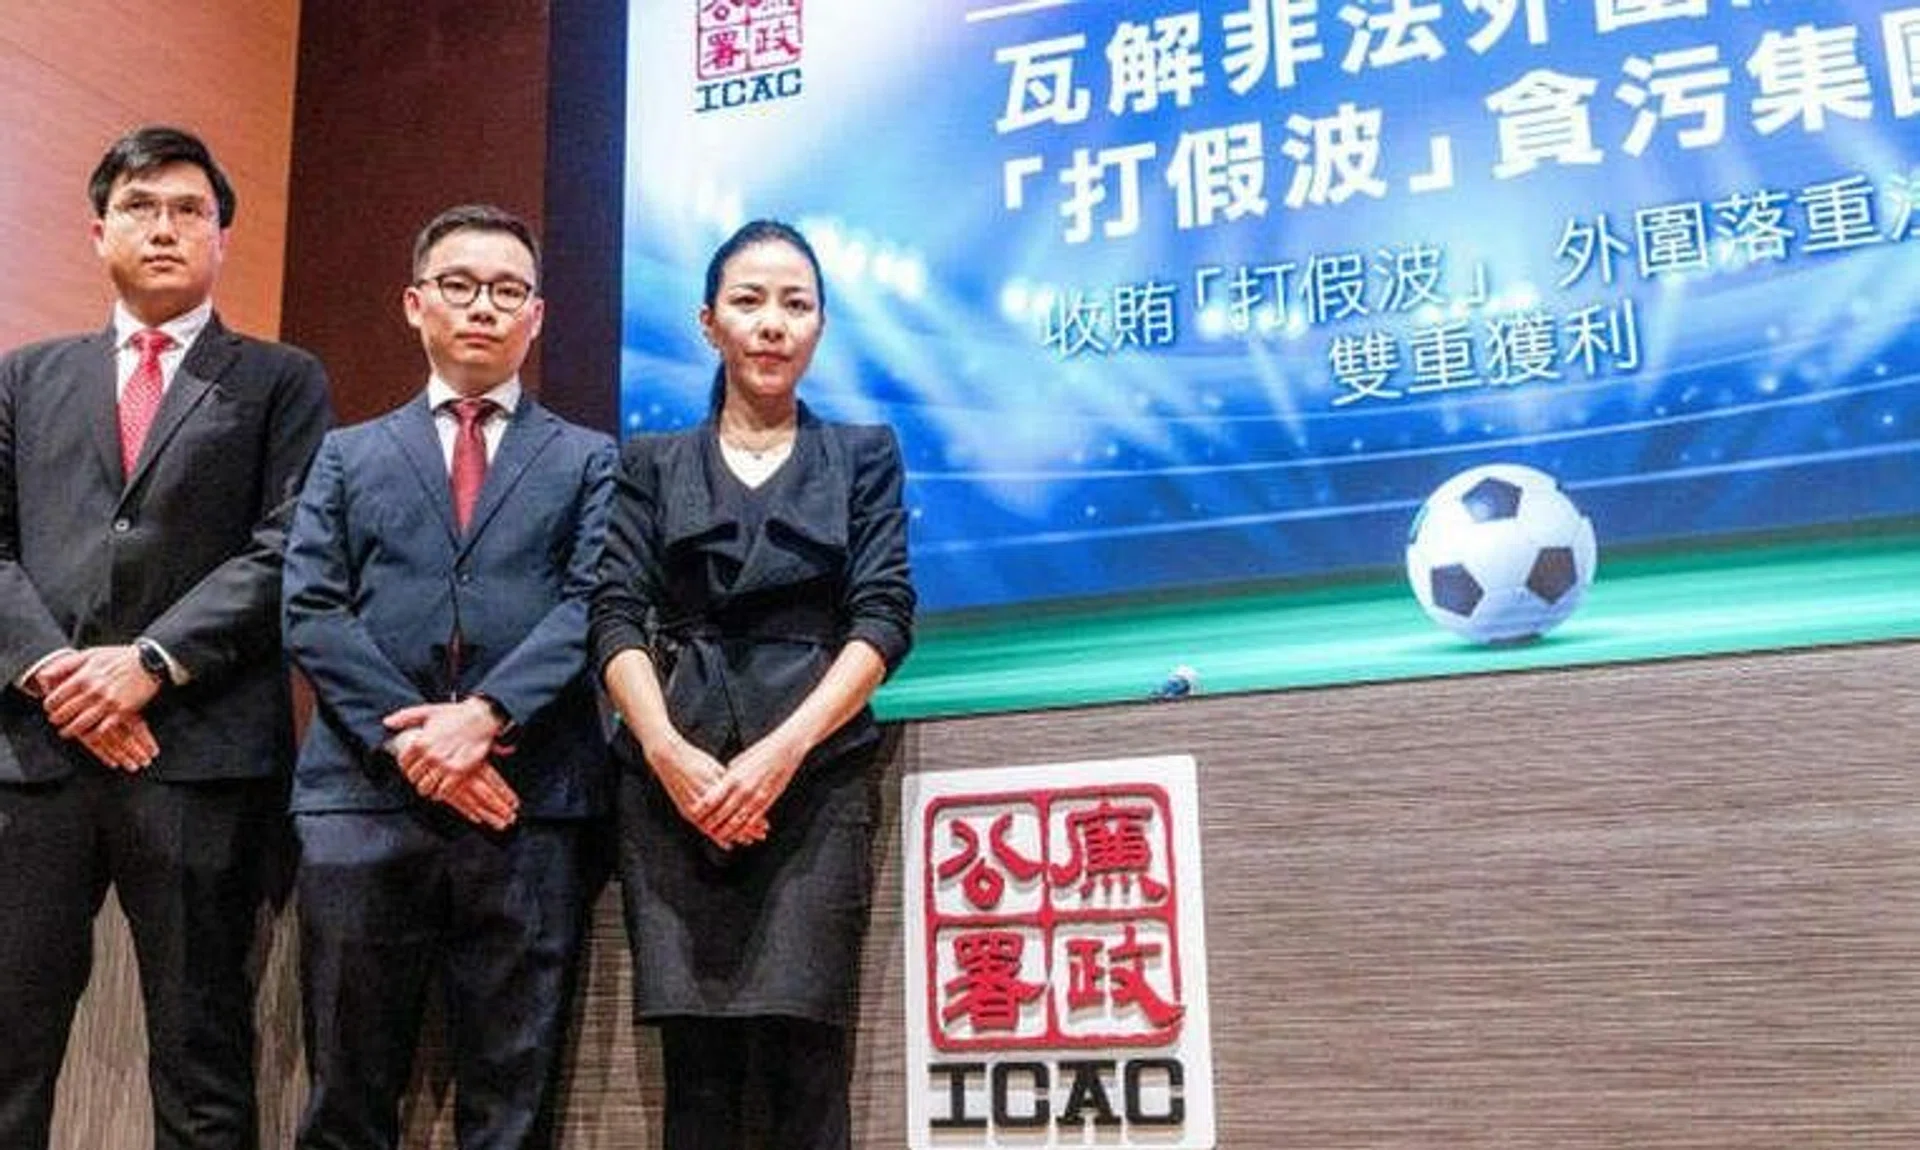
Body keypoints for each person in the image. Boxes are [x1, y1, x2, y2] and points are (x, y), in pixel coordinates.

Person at [0, 125, 332, 1149]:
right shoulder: (24, 377)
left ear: (222, 238)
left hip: (199, 755)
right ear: (99, 230)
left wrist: (147, 665)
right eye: (141, 207)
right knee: (9, 1045)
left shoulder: (282, 379)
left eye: (191, 210)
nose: (165, 228)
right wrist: (61, 675)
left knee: (201, 1055)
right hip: (36, 757)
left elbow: (287, 549)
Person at [281, 203, 615, 1149]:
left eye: (508, 290)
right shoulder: (346, 456)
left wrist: (488, 717)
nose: (483, 307)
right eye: (460, 286)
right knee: (345, 1092)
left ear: (537, 317)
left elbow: (593, 602)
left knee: (510, 1102)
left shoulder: (591, 459)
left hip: (530, 800)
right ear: (414, 303)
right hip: (361, 803)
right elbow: (310, 609)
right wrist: (424, 740)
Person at [591, 218, 915, 1149]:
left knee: (807, 1061)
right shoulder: (649, 462)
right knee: (696, 1073)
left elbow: (885, 616)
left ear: (818, 327)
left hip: (814, 781)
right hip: (672, 781)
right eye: (749, 301)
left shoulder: (862, 454)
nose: (771, 322)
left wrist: (783, 752)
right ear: (708, 323)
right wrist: (665, 752)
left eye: (795, 304)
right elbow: (615, 614)